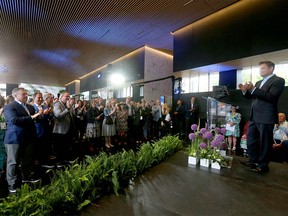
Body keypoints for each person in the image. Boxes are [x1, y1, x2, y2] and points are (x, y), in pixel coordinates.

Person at [239, 61, 285, 173]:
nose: (260, 71)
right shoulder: (259, 82)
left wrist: (253, 89)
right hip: (254, 115)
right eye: (259, 69)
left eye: (263, 68)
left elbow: (271, 97)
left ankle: (263, 165)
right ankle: (253, 160)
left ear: (271, 69)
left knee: (265, 141)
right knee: (251, 139)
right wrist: (245, 91)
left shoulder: (278, 80)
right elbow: (252, 96)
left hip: (266, 115)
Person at [4, 88, 43, 194]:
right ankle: (11, 184)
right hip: (14, 138)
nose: (26, 95)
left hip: (29, 138)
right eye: (23, 94)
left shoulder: (29, 107)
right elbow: (14, 120)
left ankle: (26, 177)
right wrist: (32, 117)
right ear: (15, 95)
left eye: (26, 94)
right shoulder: (9, 106)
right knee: (13, 162)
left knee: (27, 161)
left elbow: (34, 120)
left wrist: (39, 116)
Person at [52, 91, 74, 167]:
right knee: (59, 147)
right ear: (61, 97)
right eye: (66, 96)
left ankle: (65, 159)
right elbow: (58, 115)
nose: (68, 98)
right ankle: (59, 162)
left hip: (66, 129)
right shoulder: (57, 104)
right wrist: (67, 108)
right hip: (59, 130)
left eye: (69, 96)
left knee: (65, 146)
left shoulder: (66, 104)